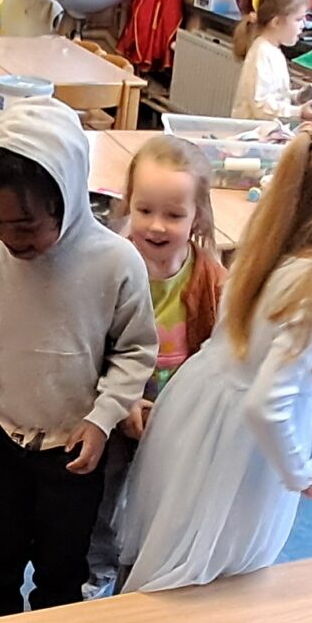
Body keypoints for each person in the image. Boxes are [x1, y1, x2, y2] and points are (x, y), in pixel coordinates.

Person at [117, 119, 312, 592]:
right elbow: (266, 405)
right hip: (237, 444)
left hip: (195, 406)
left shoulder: (271, 247)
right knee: (205, 570)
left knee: (165, 538)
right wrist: (303, 473)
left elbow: (251, 337)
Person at [0, 99, 157, 619]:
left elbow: (134, 351)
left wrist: (103, 418)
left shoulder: (116, 262)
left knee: (63, 570)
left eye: (27, 225)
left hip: (77, 444)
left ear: (70, 197)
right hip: (2, 436)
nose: (11, 237)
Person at [84, 136, 227, 596]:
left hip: (179, 413)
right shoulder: (110, 264)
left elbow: (228, 342)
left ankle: (150, 563)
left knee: (168, 494)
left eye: (174, 215)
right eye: (145, 210)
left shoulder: (209, 276)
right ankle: (98, 569)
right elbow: (91, 343)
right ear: (128, 204)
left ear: (197, 217)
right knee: (104, 493)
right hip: (116, 405)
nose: (157, 226)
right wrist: (122, 402)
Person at [232, 0, 310, 123]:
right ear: (276, 22)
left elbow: (275, 95)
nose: (303, 25)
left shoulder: (273, 50)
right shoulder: (261, 53)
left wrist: (297, 96)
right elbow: (260, 106)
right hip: (251, 132)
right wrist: (298, 112)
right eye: (298, 19)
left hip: (266, 130)